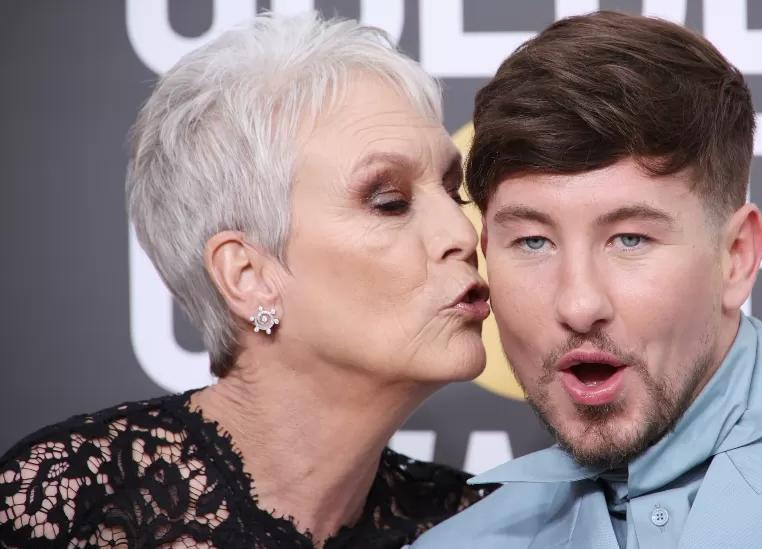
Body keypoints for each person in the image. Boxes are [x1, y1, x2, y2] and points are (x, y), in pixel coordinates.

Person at [413, 10, 762, 549]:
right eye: (533, 242)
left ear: (736, 257)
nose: (579, 304)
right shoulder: (455, 544)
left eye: (630, 239)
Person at [0, 12, 494, 548]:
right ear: (249, 276)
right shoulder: (71, 505)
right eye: (389, 202)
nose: (462, 233)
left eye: (455, 193)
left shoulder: (479, 526)